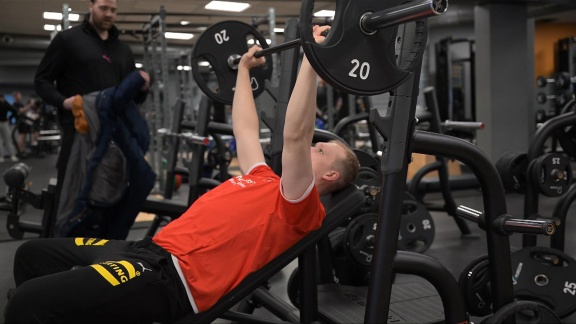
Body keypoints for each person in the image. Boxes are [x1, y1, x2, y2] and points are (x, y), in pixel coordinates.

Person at [4, 25, 360, 323]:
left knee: (27, 303)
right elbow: (246, 131)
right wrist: (241, 71)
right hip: (143, 248)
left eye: (321, 150)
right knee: (31, 255)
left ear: (328, 177)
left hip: (170, 277)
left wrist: (312, 59)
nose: (313, 146)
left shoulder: (300, 206)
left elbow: (296, 134)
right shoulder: (265, 177)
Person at [34, 0, 148, 237]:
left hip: (114, 136)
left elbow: (130, 99)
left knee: (111, 190)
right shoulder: (68, 40)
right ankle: (59, 248)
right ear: (91, 5)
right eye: (104, 8)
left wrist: (143, 88)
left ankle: (101, 251)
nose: (109, 14)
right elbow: (42, 81)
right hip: (78, 131)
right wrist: (64, 102)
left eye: (113, 10)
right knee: (72, 192)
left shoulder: (123, 50)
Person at [0, 94, 19, 162]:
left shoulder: (4, 103)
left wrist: (10, 118)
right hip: (4, 123)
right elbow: (13, 110)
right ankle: (10, 156)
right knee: (7, 140)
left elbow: (13, 110)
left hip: (4, 123)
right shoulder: (4, 103)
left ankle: (4, 157)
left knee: (7, 139)